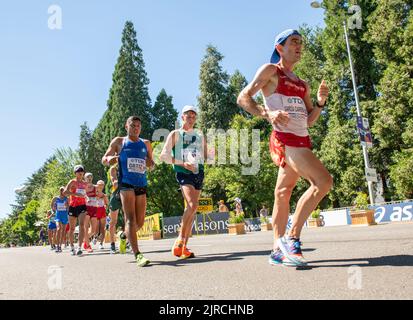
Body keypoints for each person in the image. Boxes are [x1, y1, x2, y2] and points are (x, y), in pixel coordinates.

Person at [237, 29, 332, 267]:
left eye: (301, 42)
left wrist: (320, 103)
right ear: (279, 48)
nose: (299, 46)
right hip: (284, 139)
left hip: (302, 139)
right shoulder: (271, 71)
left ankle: (276, 250)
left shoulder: (303, 84)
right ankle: (292, 239)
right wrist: (266, 113)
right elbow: (243, 97)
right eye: (293, 42)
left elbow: (309, 119)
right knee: (323, 182)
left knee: (283, 192)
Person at [102, 116, 154, 267]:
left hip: (141, 184)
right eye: (133, 125)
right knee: (130, 219)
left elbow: (151, 163)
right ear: (127, 126)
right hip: (126, 184)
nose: (136, 128)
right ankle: (138, 254)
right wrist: (109, 159)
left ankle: (123, 236)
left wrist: (151, 164)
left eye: (138, 126)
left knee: (140, 222)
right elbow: (104, 158)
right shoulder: (119, 142)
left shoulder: (145, 143)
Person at [160, 105, 208, 259]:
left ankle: (184, 247)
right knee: (192, 205)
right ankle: (180, 239)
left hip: (198, 172)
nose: (191, 119)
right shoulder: (176, 134)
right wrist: (182, 163)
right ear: (182, 117)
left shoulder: (199, 134)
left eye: (194, 116)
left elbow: (205, 155)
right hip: (183, 172)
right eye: (188, 116)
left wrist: (208, 153)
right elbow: (164, 156)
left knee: (192, 210)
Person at [64, 165, 88, 256]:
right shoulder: (72, 182)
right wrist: (75, 194)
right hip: (72, 206)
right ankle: (72, 247)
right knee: (72, 228)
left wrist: (87, 198)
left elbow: (86, 194)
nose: (80, 172)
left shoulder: (85, 184)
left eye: (82, 170)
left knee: (82, 225)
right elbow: (65, 192)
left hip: (82, 206)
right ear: (75, 173)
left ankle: (79, 247)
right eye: (78, 171)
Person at [106, 162, 126, 254]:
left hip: (126, 193)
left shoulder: (127, 165)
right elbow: (114, 182)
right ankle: (112, 244)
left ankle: (126, 239)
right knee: (113, 221)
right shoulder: (113, 168)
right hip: (116, 195)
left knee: (129, 219)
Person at [51, 187, 69, 253]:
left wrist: (67, 207)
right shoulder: (55, 198)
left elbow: (69, 207)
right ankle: (57, 245)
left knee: (63, 232)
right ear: (60, 191)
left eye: (64, 191)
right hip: (58, 216)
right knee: (58, 229)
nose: (63, 192)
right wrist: (53, 210)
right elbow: (51, 205)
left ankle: (60, 246)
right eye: (61, 191)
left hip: (64, 216)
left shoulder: (67, 199)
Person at [83, 172, 98, 253]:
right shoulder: (83, 187)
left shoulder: (95, 187)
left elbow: (101, 194)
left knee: (93, 230)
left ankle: (85, 240)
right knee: (86, 228)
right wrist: (86, 197)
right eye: (88, 177)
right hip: (86, 209)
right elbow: (81, 195)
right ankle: (88, 246)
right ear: (85, 178)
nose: (89, 178)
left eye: (91, 177)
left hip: (94, 208)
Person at [95, 180, 109, 250]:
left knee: (102, 228)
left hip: (102, 211)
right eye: (99, 184)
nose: (100, 186)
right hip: (95, 211)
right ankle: (95, 237)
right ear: (96, 185)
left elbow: (107, 204)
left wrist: (106, 205)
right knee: (96, 228)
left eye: (102, 185)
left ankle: (101, 243)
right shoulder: (93, 194)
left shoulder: (104, 195)